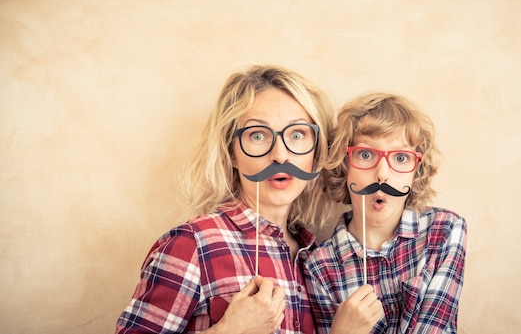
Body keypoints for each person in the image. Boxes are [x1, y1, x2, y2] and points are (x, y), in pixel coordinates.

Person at [115, 65, 337, 334]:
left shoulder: (317, 259)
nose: (280, 156)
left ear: (316, 149)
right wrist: (230, 330)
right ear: (232, 152)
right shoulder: (194, 244)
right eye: (257, 135)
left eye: (298, 135)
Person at [303, 92, 467, 334]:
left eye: (400, 157)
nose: (382, 174)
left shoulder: (444, 230)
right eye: (366, 154)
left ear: (416, 170)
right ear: (344, 165)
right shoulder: (319, 267)